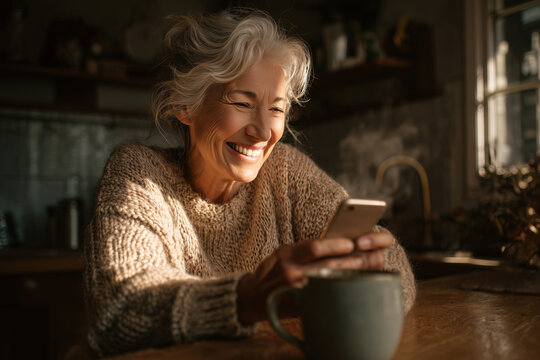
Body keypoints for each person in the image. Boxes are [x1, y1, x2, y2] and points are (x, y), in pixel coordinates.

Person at [84, 9, 416, 357]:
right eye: (242, 103)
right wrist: (248, 298)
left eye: (276, 109)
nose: (262, 132)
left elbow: (396, 272)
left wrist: (348, 275)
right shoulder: (140, 174)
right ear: (184, 105)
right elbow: (119, 309)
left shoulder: (286, 171)